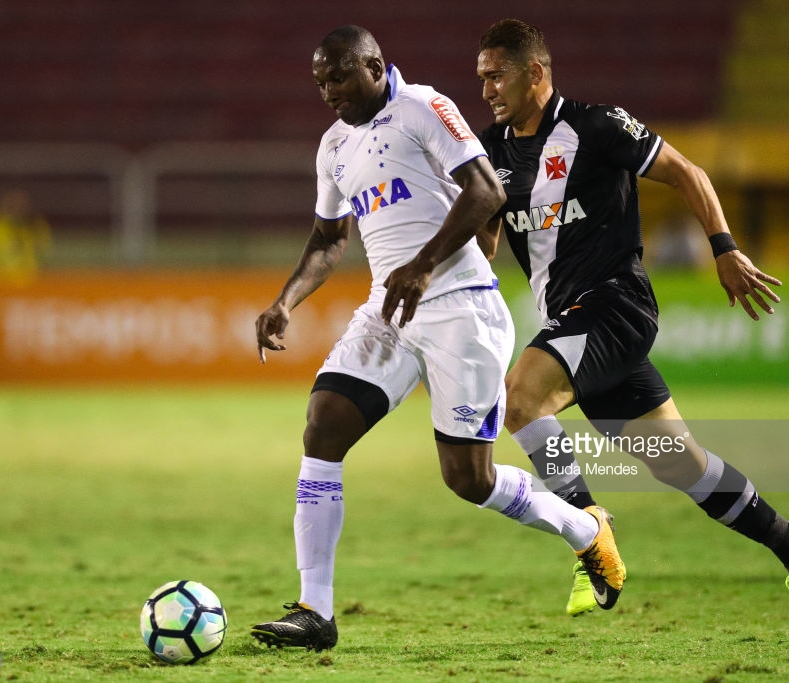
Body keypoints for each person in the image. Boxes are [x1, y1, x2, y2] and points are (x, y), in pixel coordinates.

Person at [250, 25, 626, 652]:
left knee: (468, 479)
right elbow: (328, 240)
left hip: (462, 310)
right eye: (319, 81)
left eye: (338, 76)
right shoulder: (334, 146)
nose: (328, 91)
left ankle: (584, 531)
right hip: (389, 309)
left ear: (373, 65)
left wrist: (423, 264)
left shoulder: (424, 107)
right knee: (323, 425)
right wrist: (283, 302)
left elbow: (488, 190)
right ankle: (316, 612)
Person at [474, 19, 789, 632]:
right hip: (571, 321)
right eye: (480, 78)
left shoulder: (598, 125)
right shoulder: (493, 149)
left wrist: (723, 247)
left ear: (535, 72)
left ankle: (592, 538)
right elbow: (484, 244)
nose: (486, 89)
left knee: (521, 400)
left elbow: (688, 172)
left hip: (615, 304)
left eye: (496, 75)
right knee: (682, 467)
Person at [0, 188, 51, 286]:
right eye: (12, 203)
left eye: (21, 204)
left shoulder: (35, 225)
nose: (17, 208)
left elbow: (42, 256)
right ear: (2, 204)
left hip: (29, 283)